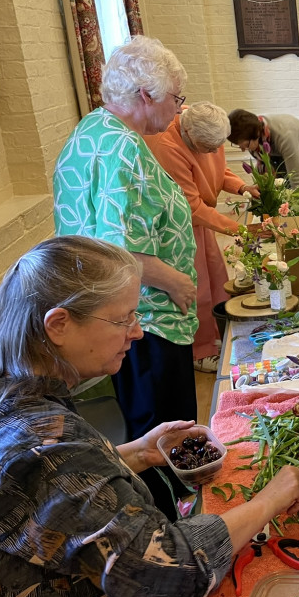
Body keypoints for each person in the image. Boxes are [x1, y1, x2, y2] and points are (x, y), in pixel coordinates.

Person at [0, 236, 299, 597]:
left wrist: (133, 454)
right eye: (123, 318)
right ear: (58, 325)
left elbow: (51, 503)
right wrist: (274, 497)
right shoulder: (31, 446)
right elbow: (168, 568)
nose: (136, 331)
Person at [53, 35, 199, 450]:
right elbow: (121, 252)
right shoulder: (123, 148)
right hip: (145, 321)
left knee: (148, 424)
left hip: (117, 316)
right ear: (144, 94)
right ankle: (176, 512)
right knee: (164, 435)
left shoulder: (93, 128)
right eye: (175, 96)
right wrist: (176, 282)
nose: (178, 107)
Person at [145, 102, 260, 374]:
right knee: (198, 286)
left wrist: (242, 186)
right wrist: (239, 230)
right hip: (181, 225)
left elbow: (220, 172)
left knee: (217, 277)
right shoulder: (167, 146)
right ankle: (199, 352)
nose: (212, 153)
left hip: (202, 220)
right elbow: (193, 208)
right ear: (188, 134)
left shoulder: (208, 131)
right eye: (207, 148)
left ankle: (215, 337)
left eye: (216, 148)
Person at [227, 109, 299, 188]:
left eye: (246, 145)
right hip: (280, 154)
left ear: (257, 135)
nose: (243, 150)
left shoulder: (284, 135)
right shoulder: (251, 130)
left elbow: (297, 179)